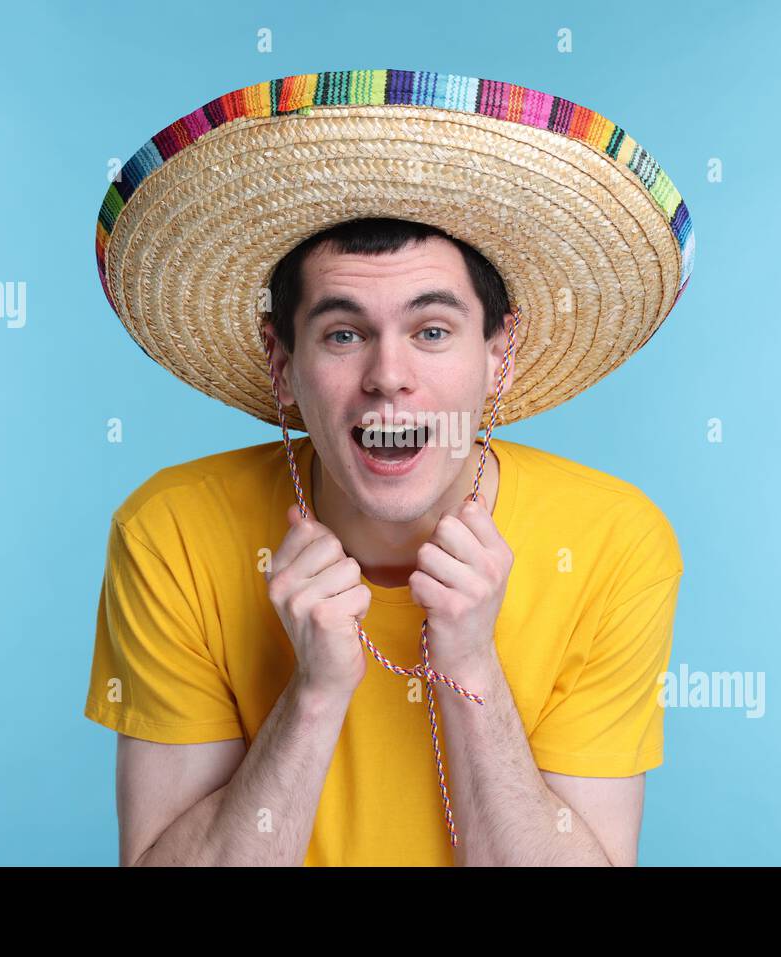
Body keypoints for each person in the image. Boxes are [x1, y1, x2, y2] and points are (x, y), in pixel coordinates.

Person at [84, 69, 695, 867]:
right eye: (343, 333)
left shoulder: (615, 540)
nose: (388, 376)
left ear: (497, 355)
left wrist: (471, 664)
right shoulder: (172, 531)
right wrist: (314, 693)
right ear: (282, 361)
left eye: (433, 330)